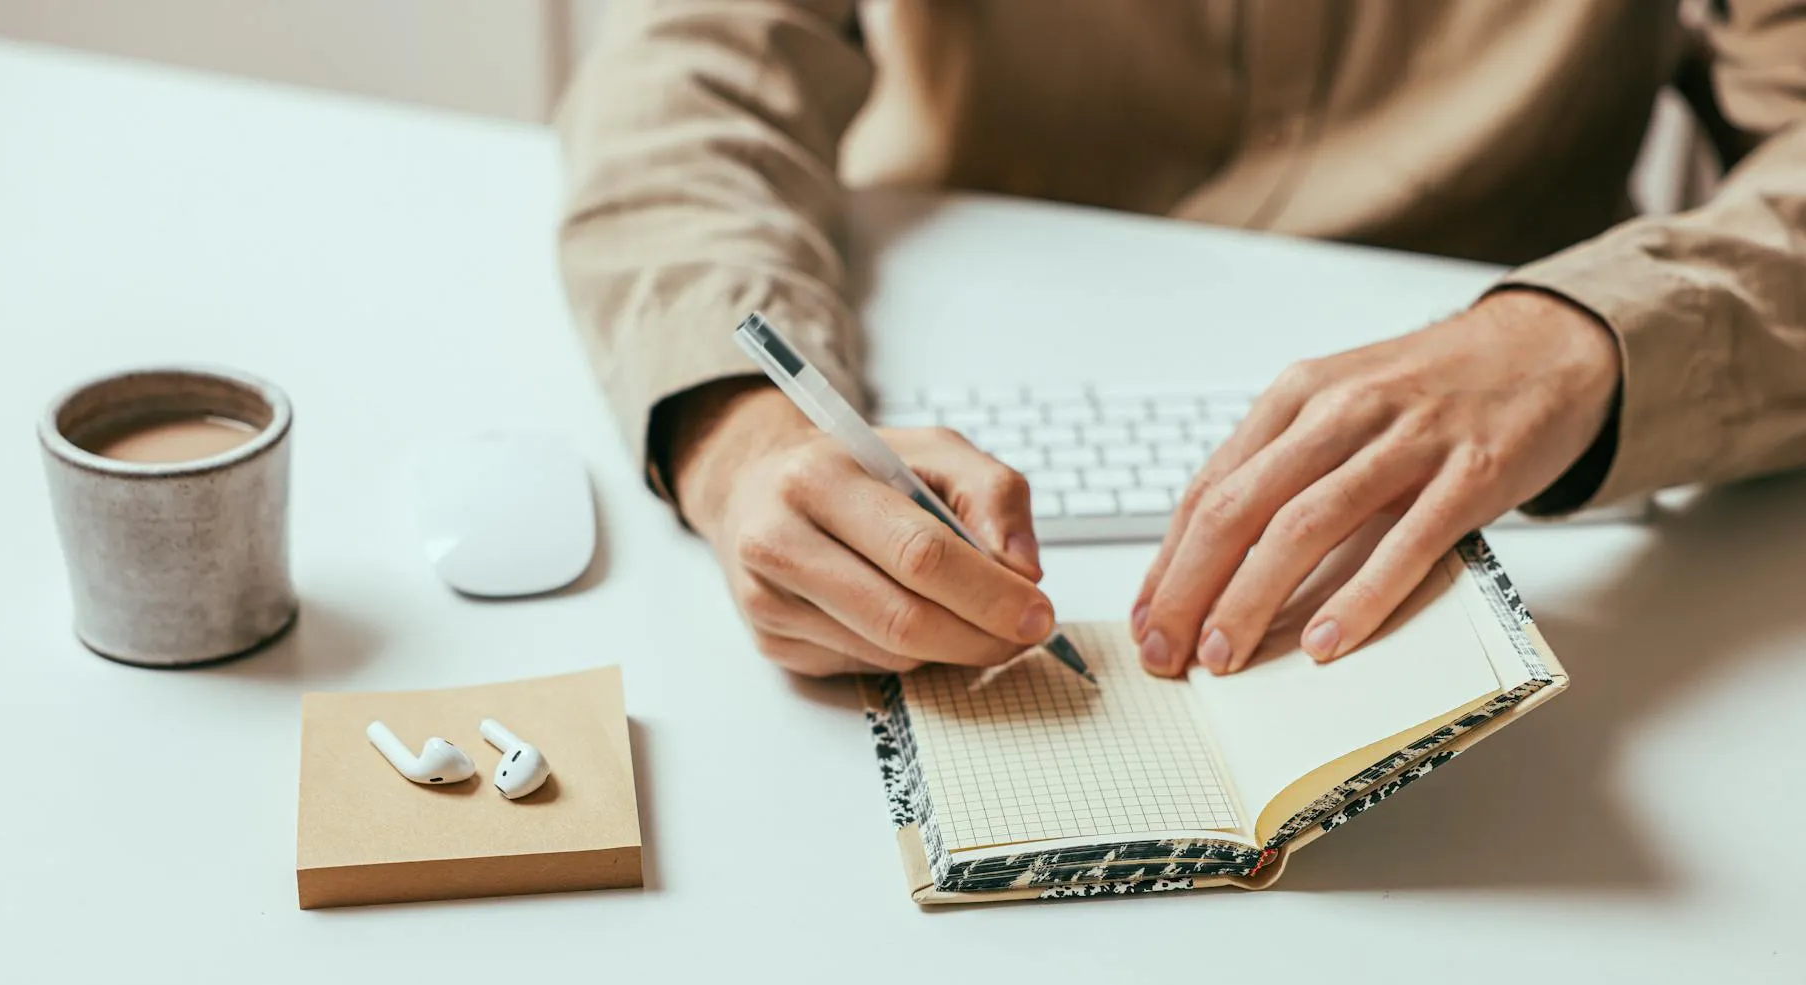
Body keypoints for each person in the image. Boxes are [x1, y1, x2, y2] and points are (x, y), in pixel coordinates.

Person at [556, 1, 1806, 679]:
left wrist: (1576, 337)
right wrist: (736, 433)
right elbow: (685, 72)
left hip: (1558, 474)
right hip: (927, 379)